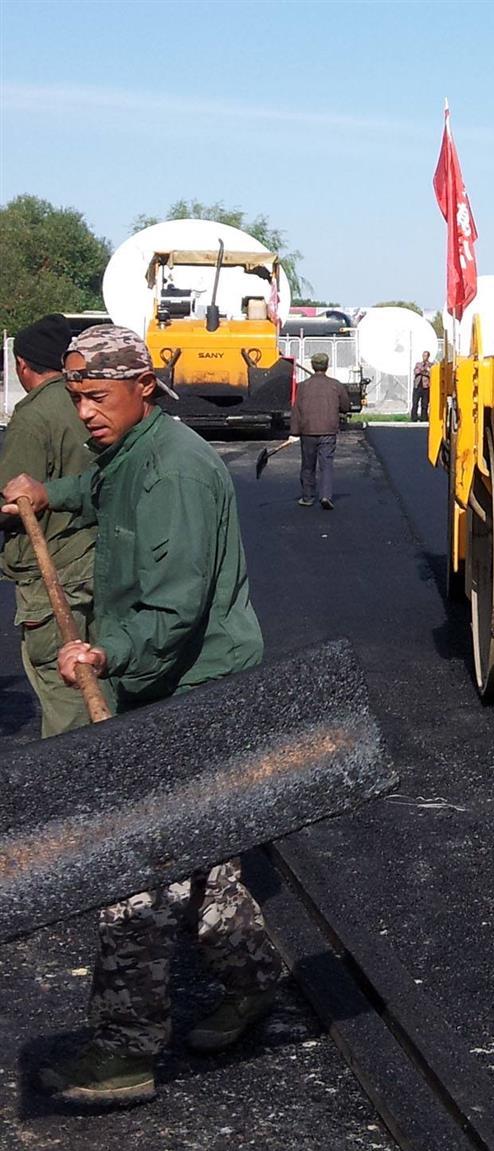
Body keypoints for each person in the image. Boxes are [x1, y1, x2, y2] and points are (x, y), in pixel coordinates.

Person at [1, 324, 280, 1107]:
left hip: (194, 690)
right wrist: (45, 493)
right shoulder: (130, 455)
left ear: (142, 388)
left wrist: (103, 652)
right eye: (77, 397)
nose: (85, 412)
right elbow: (96, 489)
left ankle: (122, 1053)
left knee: (139, 872)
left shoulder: (176, 474)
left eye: (97, 397)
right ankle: (254, 982)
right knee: (198, 860)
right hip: (162, 685)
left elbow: (176, 605)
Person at [0, 314, 95, 737]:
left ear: (22, 365)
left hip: (53, 570)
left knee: (64, 688)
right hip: (97, 559)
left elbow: (13, 500)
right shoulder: (88, 401)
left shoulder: (33, 418)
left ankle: (73, 790)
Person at [292, 352, 350, 510]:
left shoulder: (303, 386)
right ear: (327, 365)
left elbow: (297, 409)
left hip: (308, 430)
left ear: (312, 365)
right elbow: (346, 406)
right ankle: (325, 496)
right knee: (326, 464)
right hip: (328, 430)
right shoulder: (335, 385)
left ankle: (308, 497)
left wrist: (294, 431)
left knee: (308, 465)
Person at [411, 350, 432, 422]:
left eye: (426, 356)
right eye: (423, 356)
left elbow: (430, 373)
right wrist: (424, 371)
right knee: (415, 402)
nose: (424, 357)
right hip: (417, 386)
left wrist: (423, 371)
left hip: (425, 386)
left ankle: (424, 418)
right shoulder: (418, 364)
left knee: (425, 403)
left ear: (428, 357)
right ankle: (414, 418)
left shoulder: (431, 365)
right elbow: (416, 371)